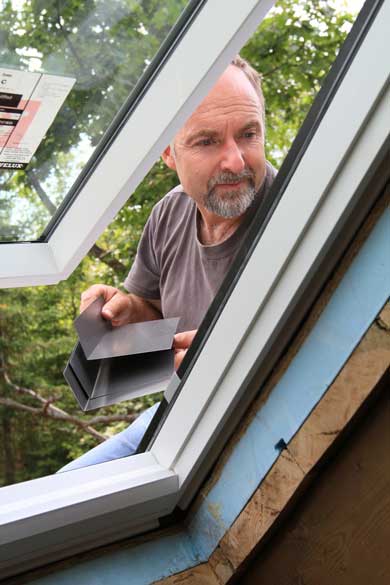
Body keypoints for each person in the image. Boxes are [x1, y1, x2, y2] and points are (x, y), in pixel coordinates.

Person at [59, 55, 276, 472]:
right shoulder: (169, 213)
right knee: (55, 497)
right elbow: (154, 310)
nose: (235, 161)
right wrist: (123, 311)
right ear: (168, 154)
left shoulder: (295, 213)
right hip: (178, 411)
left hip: (259, 421)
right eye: (207, 141)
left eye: (248, 134)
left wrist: (229, 359)